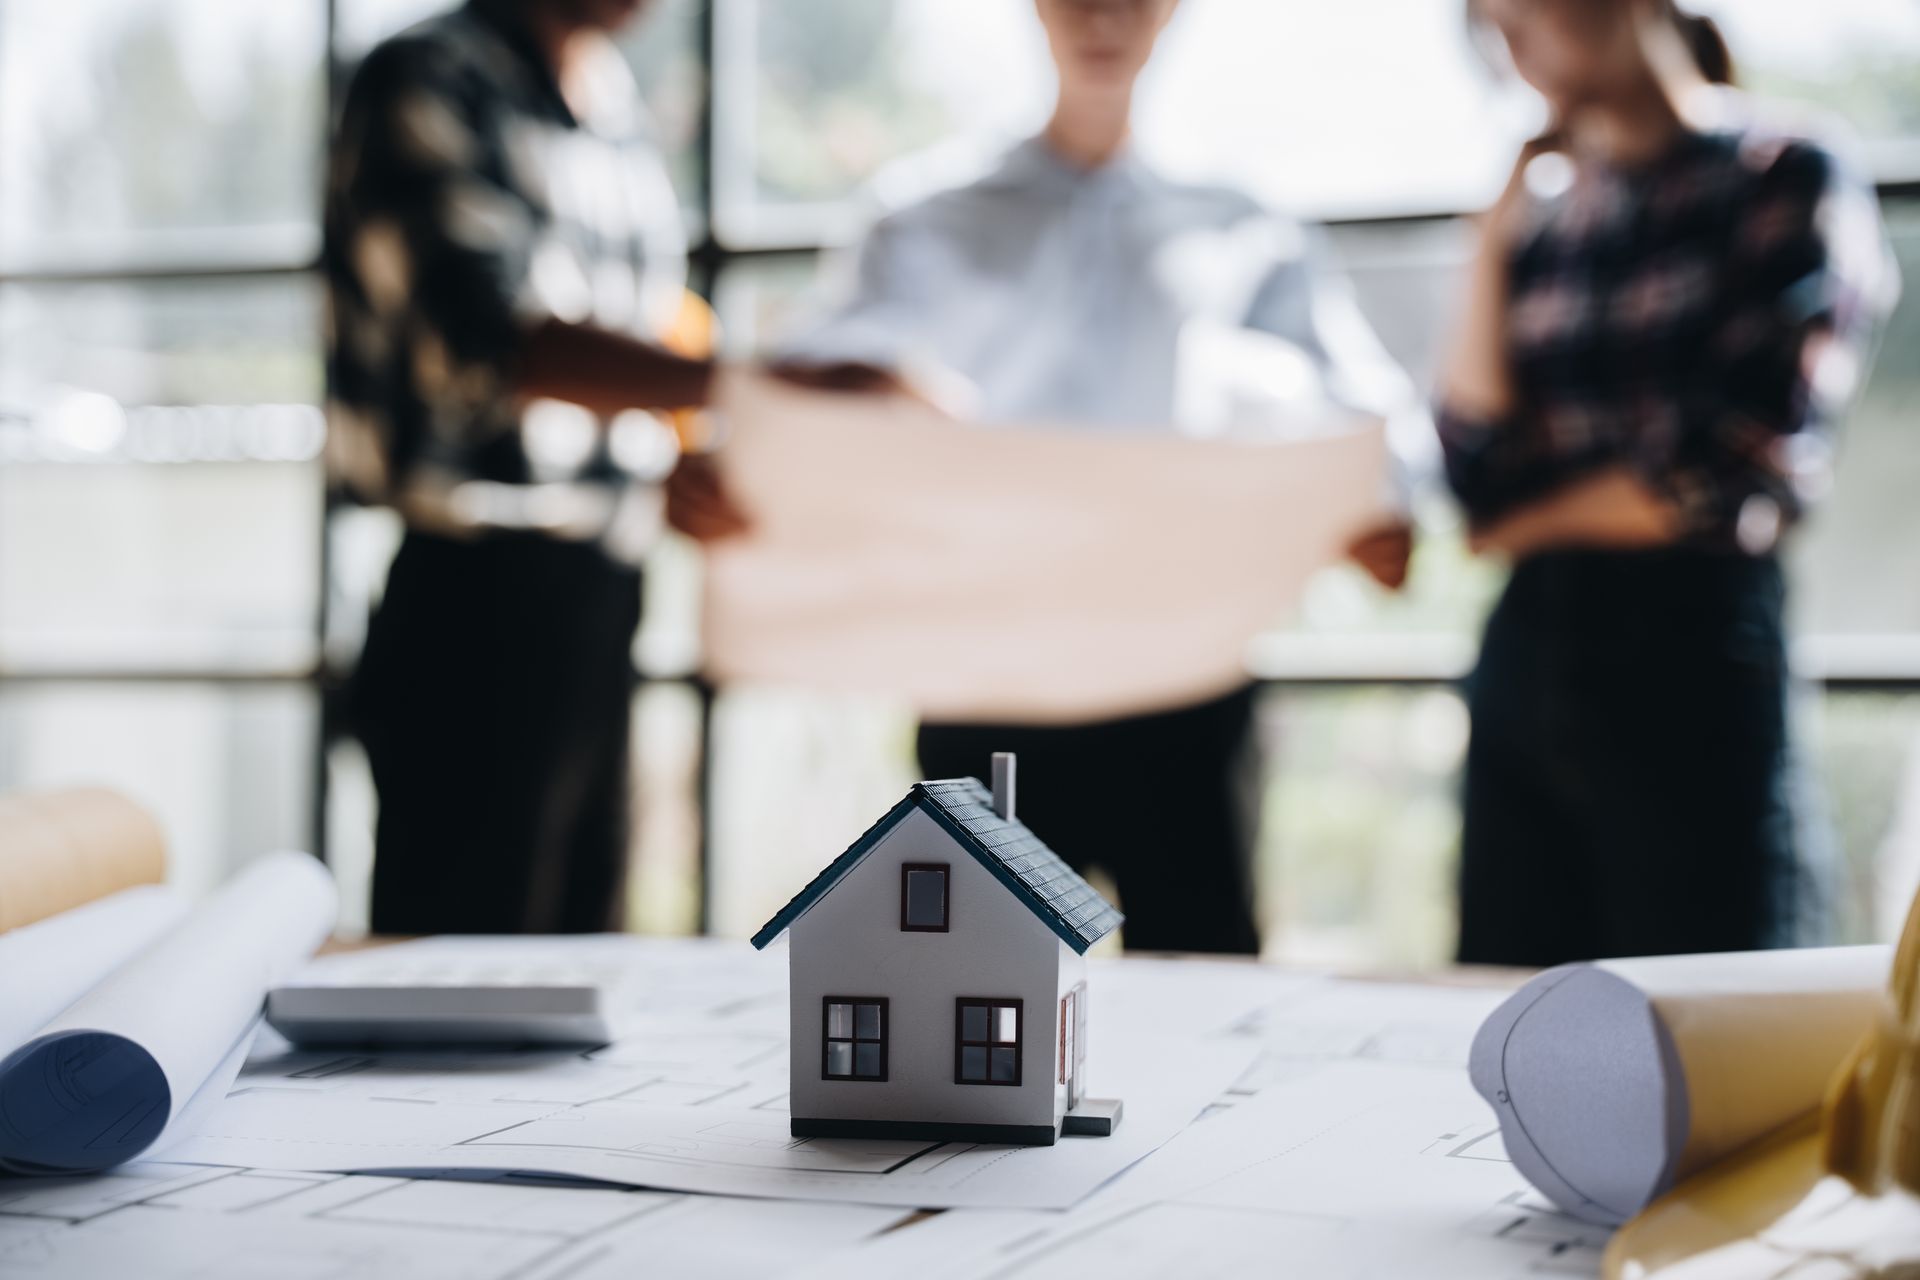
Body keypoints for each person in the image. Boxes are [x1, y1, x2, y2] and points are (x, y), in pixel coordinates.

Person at [782, 0, 1429, 955]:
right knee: (978, 981)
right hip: (987, 679)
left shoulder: (1245, 225)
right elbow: (799, 399)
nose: (1103, 18)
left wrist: (1382, 506)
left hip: (1184, 682)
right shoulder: (923, 215)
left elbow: (1363, 414)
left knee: (1202, 977)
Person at [1442, 0, 1899, 965]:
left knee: (1707, 1000)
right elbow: (1473, 475)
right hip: (1528, 656)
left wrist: (1523, 521)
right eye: (1491, 26)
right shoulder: (1547, 218)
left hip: (1691, 653)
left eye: (1525, 11)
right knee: (1509, 999)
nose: (1516, 46)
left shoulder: (1782, 168)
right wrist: (1489, 240)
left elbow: (1736, 466)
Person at [326, 0, 744, 934]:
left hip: (603, 596)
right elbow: (485, 339)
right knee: (462, 972)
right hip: (473, 609)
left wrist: (684, 454)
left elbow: (636, 346)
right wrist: (747, 386)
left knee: (584, 957)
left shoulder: (612, 101)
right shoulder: (430, 74)